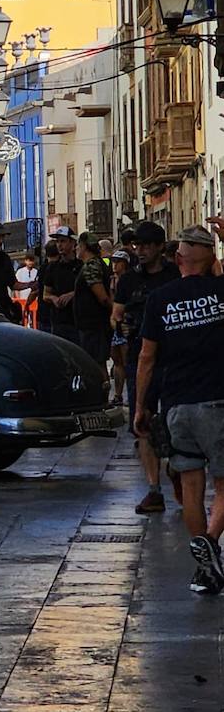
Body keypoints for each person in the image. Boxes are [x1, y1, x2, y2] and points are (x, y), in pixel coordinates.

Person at [135, 225, 224, 594]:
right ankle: (210, 541)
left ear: (177, 258)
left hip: (176, 406)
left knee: (190, 485)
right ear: (211, 259)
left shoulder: (160, 299)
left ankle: (205, 567)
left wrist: (141, 406)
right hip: (217, 402)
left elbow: (146, 357)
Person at [114, 220, 180, 514]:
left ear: (159, 247)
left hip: (174, 358)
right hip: (139, 356)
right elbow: (116, 313)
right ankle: (154, 489)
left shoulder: (175, 275)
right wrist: (122, 325)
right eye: (137, 246)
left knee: (177, 419)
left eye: (146, 246)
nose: (140, 251)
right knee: (143, 421)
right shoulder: (129, 280)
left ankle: (177, 467)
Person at [72, 232, 112, 368]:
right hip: (91, 325)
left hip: (93, 326)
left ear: (84, 246)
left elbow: (103, 297)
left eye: (78, 245)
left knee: (95, 365)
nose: (76, 248)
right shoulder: (95, 264)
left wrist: (114, 312)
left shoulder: (91, 266)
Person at [41, 227, 81, 342]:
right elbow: (45, 294)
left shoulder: (80, 266)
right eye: (57, 241)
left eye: (63, 241)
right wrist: (54, 298)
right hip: (59, 322)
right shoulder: (52, 267)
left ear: (72, 243)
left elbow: (88, 291)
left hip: (77, 321)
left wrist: (72, 295)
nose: (59, 245)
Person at [107, 250, 132, 405]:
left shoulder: (130, 280)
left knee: (127, 359)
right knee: (117, 359)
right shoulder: (111, 280)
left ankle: (130, 394)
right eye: (113, 261)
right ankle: (118, 395)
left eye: (118, 262)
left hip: (126, 322)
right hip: (115, 322)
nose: (114, 265)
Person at [15, 254, 40, 329]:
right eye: (28, 261)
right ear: (25, 261)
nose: (30, 263)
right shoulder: (20, 272)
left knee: (33, 319)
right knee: (24, 318)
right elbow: (16, 286)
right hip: (23, 299)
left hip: (33, 300)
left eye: (32, 261)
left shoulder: (36, 272)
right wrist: (18, 298)